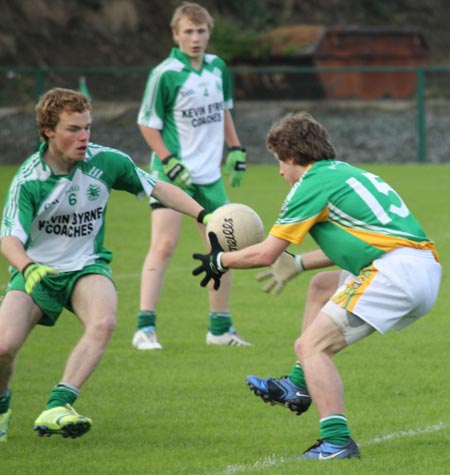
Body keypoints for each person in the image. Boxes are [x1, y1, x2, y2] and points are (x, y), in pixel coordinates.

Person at [192, 112, 442, 459]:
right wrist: (297, 264)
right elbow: (362, 242)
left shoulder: (310, 184)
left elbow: (266, 254)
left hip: (394, 273)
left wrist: (219, 260)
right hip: (421, 269)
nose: (279, 171)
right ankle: (297, 384)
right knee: (322, 287)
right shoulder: (346, 173)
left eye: (279, 162)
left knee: (311, 347)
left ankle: (337, 442)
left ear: (293, 158)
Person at [0, 87, 212, 442]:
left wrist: (205, 215)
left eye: (87, 127)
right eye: (72, 129)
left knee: (105, 320)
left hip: (86, 266)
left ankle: (58, 405)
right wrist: (26, 267)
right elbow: (9, 238)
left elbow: (158, 188)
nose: (83, 136)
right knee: (3, 349)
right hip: (36, 272)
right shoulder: (29, 181)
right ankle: (2, 402)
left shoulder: (107, 162)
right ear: (48, 131)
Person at [133, 1, 249, 350]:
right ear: (175, 34)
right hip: (172, 175)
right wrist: (169, 161)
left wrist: (237, 148)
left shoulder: (218, 68)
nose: (195, 38)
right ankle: (144, 328)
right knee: (164, 244)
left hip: (209, 177)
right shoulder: (164, 73)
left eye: (201, 31)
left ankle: (220, 330)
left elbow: (224, 112)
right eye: (188, 32)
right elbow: (146, 123)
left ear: (208, 33)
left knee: (223, 249)